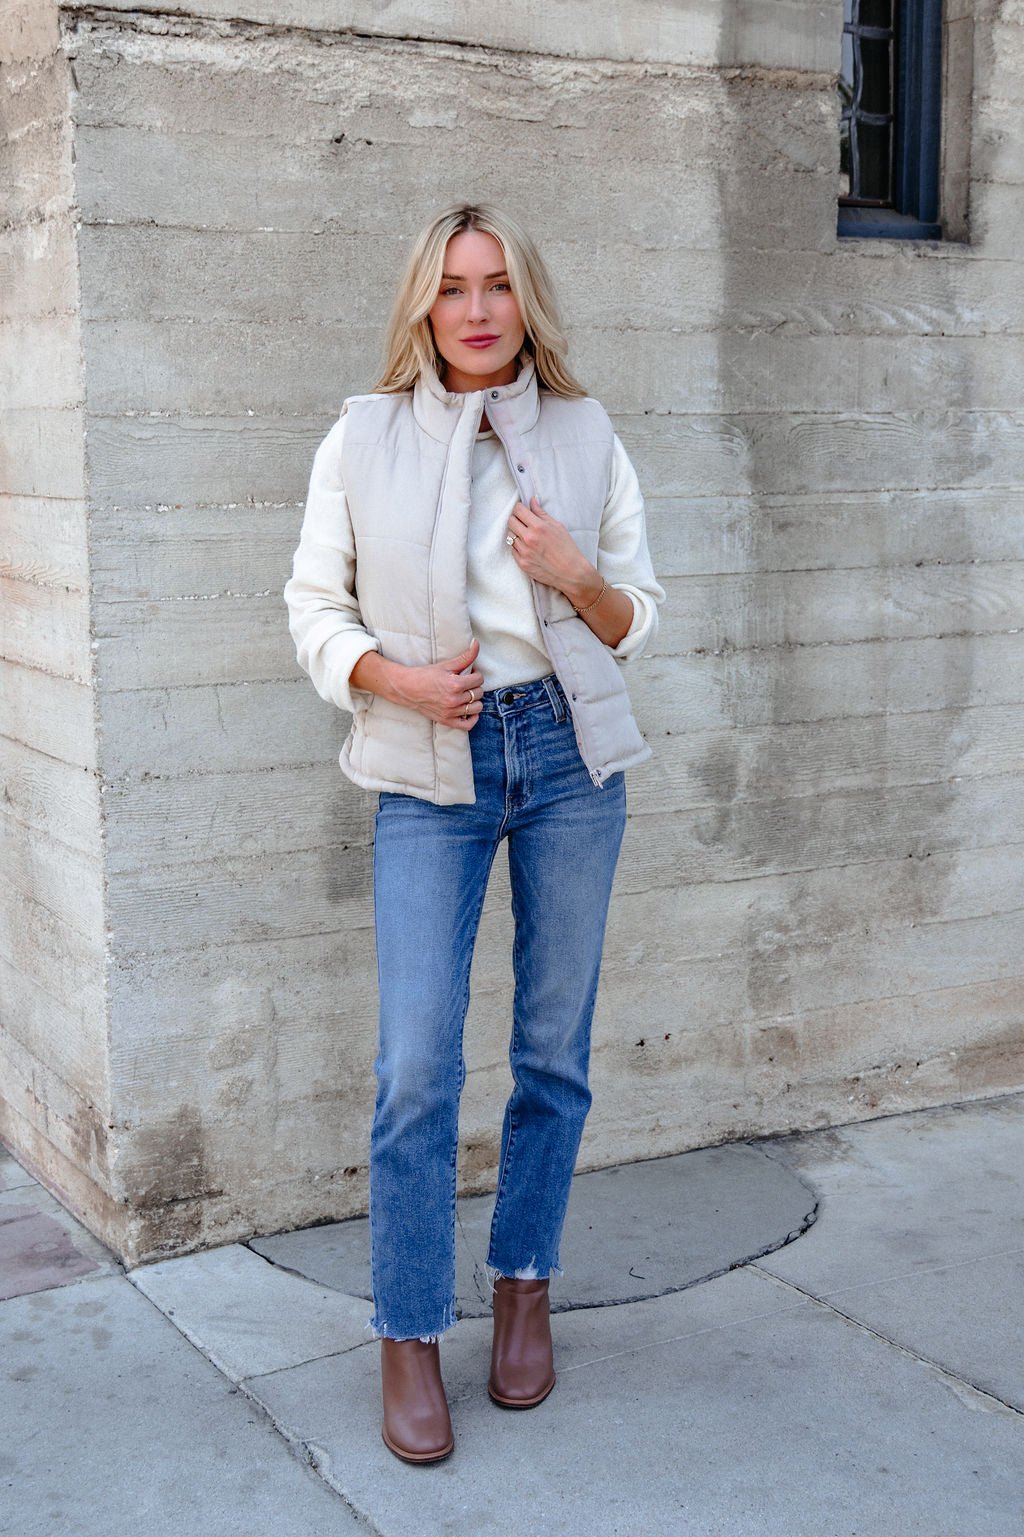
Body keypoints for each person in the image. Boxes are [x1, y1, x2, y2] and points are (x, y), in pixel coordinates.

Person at [284, 203, 664, 1464]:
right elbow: (310, 603)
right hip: (425, 762)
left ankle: (522, 1289)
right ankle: (406, 1334)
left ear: (525, 300)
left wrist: (570, 571)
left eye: (498, 285)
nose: (479, 309)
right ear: (423, 307)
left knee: (552, 1050)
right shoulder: (362, 434)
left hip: (566, 754)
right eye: (453, 289)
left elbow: (632, 616)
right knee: (415, 1071)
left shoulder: (587, 431)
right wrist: (392, 681)